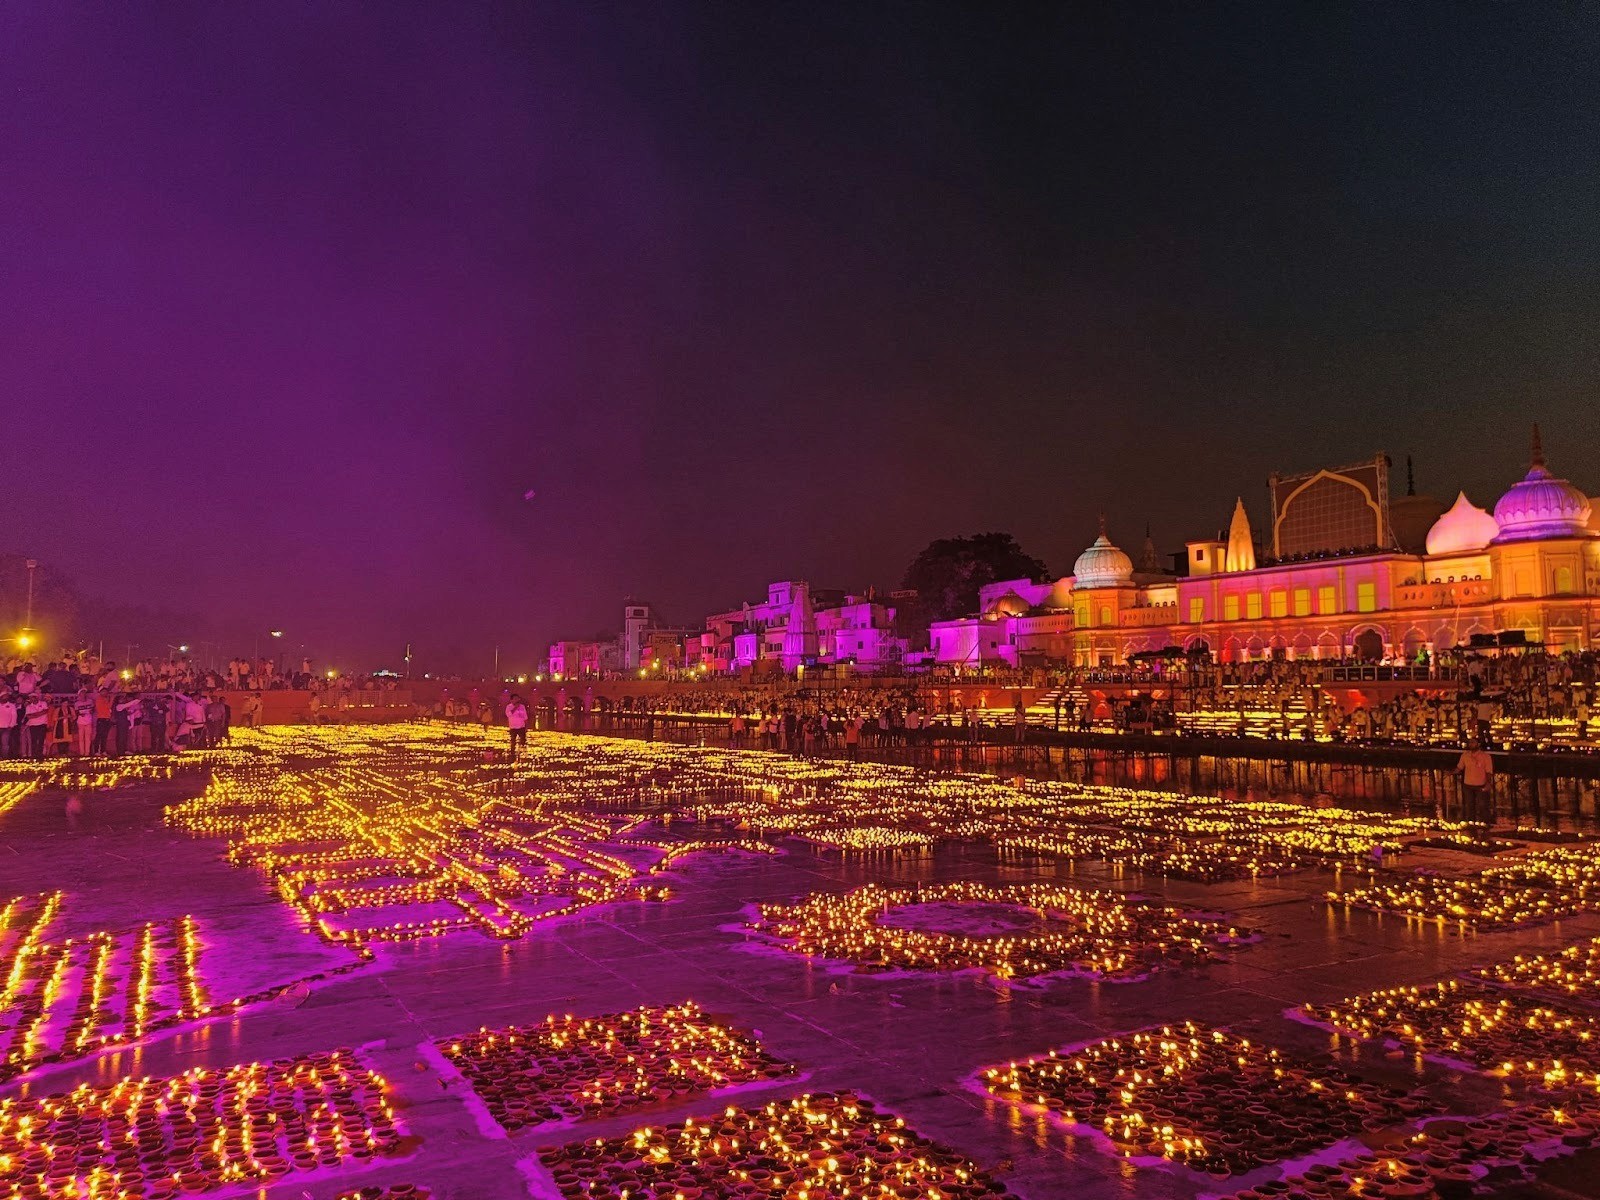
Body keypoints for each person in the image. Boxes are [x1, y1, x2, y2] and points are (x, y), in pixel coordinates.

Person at [1456, 738, 1494, 831]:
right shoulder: (1465, 756)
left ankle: (1485, 824)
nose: (1471, 744)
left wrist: (1488, 783)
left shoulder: (1485, 757)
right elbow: (1459, 767)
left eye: (1473, 742)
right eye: (1470, 743)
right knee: (1470, 806)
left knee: (1483, 806)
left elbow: (1489, 771)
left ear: (1478, 744)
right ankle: (1471, 824)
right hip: (1468, 784)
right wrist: (1452, 772)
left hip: (1480, 784)